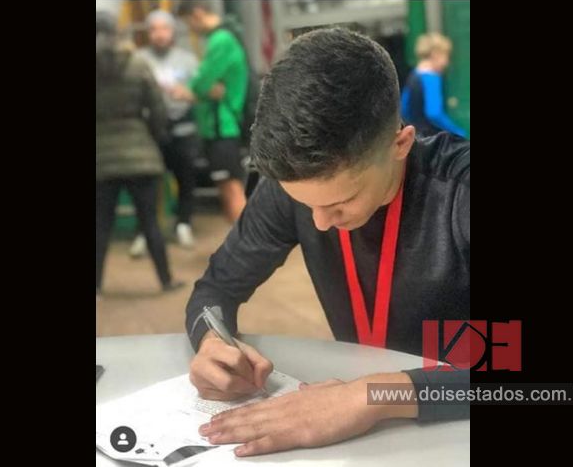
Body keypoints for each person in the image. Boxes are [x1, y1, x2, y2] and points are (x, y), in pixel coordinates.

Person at [184, 28, 470, 457]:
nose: (319, 223)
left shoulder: (459, 192)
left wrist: (373, 396)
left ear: (400, 144)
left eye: (342, 201)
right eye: (306, 204)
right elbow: (216, 288)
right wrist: (211, 340)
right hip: (379, 440)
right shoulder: (293, 185)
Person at [96, 11, 183, 294]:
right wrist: (152, 137)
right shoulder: (137, 62)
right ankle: (166, 280)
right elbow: (157, 108)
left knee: (100, 226)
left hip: (101, 157)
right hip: (141, 152)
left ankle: (96, 287)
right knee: (150, 222)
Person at [130, 10, 201, 257]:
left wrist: (185, 94)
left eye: (164, 29)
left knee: (186, 178)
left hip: (182, 127)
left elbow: (198, 91)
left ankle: (183, 224)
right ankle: (144, 231)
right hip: (149, 131)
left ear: (172, 31)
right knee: (146, 184)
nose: (159, 34)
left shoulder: (188, 60)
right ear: (148, 33)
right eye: (154, 29)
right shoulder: (138, 60)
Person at [174, 0, 248, 223]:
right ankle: (239, 239)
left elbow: (201, 82)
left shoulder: (220, 40)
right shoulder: (218, 39)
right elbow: (206, 86)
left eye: (188, 22)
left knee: (231, 188)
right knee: (225, 187)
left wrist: (195, 90)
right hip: (215, 127)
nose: (190, 29)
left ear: (197, 14)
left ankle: (248, 240)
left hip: (223, 126)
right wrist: (204, 90)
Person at [401, 32, 467, 138]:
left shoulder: (413, 75)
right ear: (436, 54)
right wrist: (458, 132)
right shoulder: (431, 78)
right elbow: (434, 113)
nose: (447, 62)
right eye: (446, 56)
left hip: (416, 137)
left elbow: (405, 108)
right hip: (431, 138)